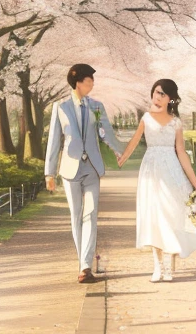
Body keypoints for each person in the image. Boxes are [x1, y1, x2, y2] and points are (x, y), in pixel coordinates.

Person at [118, 78, 196, 282]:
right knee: (153, 215)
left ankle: (170, 265)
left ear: (171, 99)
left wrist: (195, 183)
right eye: (156, 92)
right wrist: (121, 159)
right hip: (151, 171)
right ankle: (157, 265)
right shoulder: (146, 118)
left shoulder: (176, 122)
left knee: (172, 214)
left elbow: (181, 152)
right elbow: (135, 141)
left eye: (162, 94)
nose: (157, 97)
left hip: (172, 170)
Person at [45, 63, 122, 283]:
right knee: (76, 216)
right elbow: (54, 141)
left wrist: (120, 151)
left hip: (92, 167)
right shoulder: (60, 107)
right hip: (70, 168)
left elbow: (106, 132)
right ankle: (82, 263)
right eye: (89, 81)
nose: (92, 84)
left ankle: (85, 266)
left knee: (91, 214)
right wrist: (49, 173)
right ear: (77, 82)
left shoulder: (97, 106)